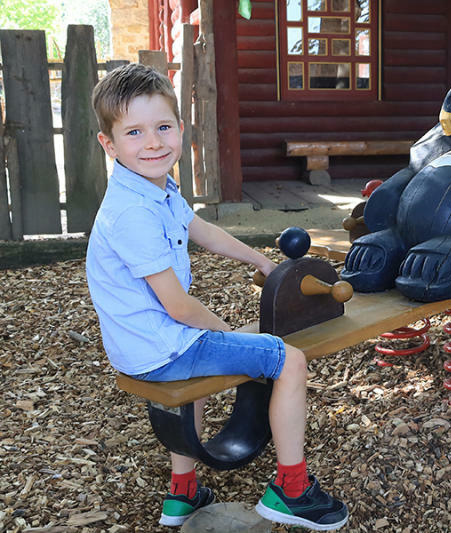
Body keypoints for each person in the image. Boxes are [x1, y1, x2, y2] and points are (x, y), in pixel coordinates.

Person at [85, 63, 348, 530]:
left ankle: (183, 494)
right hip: (158, 344)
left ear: (180, 130)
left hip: (147, 340)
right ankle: (291, 489)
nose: (153, 143)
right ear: (109, 144)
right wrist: (232, 339)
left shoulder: (156, 188)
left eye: (163, 127)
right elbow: (179, 307)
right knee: (287, 360)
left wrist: (260, 261)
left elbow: (200, 229)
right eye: (134, 132)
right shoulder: (131, 214)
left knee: (206, 364)